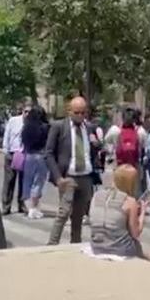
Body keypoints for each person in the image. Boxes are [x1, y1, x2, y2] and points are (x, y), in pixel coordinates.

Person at [45, 97, 100, 245]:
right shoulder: (59, 126)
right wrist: (57, 177)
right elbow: (48, 153)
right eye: (77, 112)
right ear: (69, 111)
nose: (81, 116)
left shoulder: (88, 127)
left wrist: (96, 146)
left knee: (79, 215)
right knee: (63, 212)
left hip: (85, 176)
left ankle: (75, 243)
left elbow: (93, 150)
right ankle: (52, 244)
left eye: (83, 113)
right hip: (68, 177)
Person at [89, 164, 150, 264]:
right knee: (134, 242)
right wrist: (142, 211)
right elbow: (136, 233)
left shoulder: (97, 195)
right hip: (119, 249)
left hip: (96, 245)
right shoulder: (129, 201)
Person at [20, 106, 49, 220]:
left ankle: (29, 207)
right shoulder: (45, 127)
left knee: (27, 181)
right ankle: (33, 207)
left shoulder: (26, 127)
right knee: (38, 182)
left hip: (28, 155)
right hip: (41, 155)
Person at [0, 104, 27, 215]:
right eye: (26, 111)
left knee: (24, 181)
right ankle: (6, 206)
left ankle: (22, 204)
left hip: (24, 153)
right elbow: (7, 134)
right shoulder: (13, 121)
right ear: (22, 111)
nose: (27, 114)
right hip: (12, 152)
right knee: (9, 180)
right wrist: (5, 150)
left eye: (30, 112)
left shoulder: (32, 123)